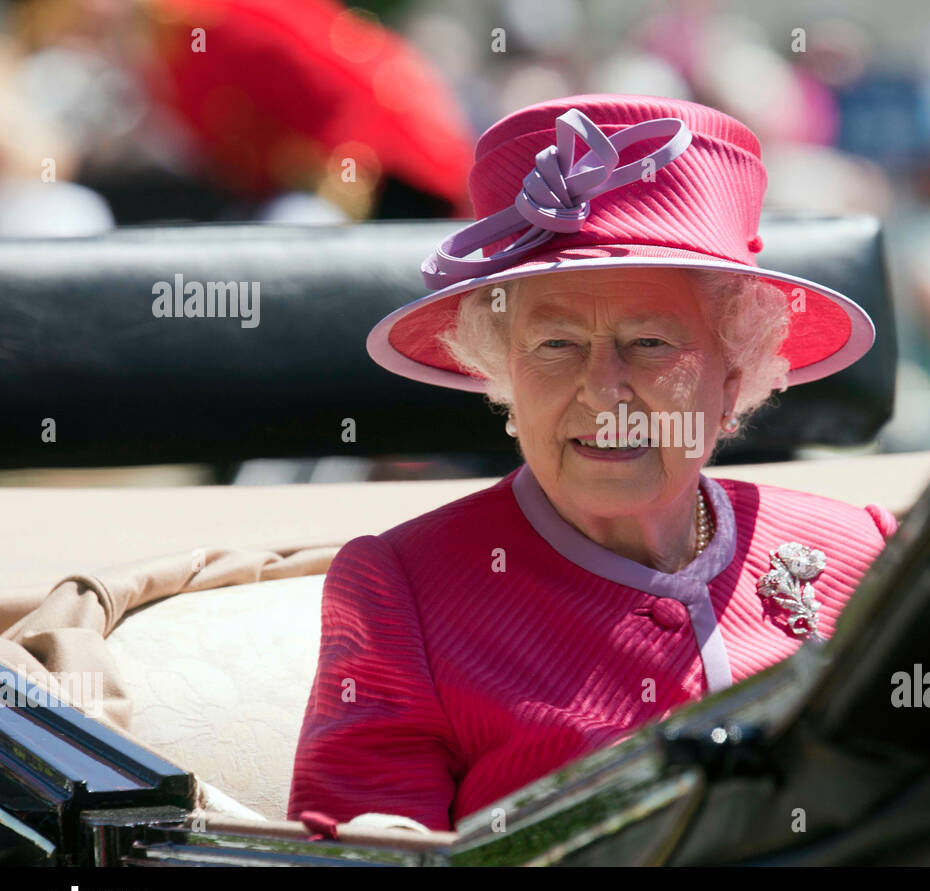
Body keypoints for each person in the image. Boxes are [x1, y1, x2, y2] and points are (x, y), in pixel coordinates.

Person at [288, 94, 897, 833]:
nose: (602, 390)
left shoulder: (865, 552)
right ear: (504, 375)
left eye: (650, 343)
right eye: (556, 345)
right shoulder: (403, 595)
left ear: (733, 377)